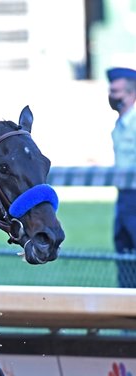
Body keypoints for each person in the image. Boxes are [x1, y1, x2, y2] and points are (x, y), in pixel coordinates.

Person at [106, 66, 136, 288]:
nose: (112, 96)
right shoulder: (120, 124)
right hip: (124, 196)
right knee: (123, 252)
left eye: (117, 92)